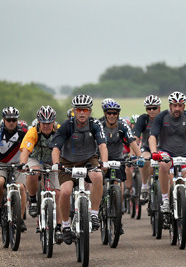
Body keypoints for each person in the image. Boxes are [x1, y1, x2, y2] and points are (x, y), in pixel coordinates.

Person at [50, 95, 108, 245]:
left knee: (98, 176)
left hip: (89, 160)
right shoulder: (67, 125)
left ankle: (94, 214)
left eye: (85, 110)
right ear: (74, 111)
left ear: (90, 111)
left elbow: (102, 145)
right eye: (78, 110)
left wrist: (105, 163)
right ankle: (66, 226)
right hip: (68, 163)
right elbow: (56, 147)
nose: (82, 113)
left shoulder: (95, 124)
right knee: (65, 192)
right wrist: (56, 164)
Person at [148, 91, 186, 233]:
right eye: (174, 105)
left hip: (185, 154)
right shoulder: (161, 117)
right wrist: (154, 153)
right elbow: (152, 136)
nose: (177, 108)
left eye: (180, 105)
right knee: (163, 164)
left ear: (184, 106)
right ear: (170, 105)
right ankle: (165, 200)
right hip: (166, 152)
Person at [100, 100, 145, 234]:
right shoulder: (99, 126)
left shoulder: (123, 126)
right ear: (105, 113)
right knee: (99, 182)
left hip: (118, 159)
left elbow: (132, 142)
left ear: (118, 114)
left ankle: (117, 217)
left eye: (115, 113)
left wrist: (140, 157)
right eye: (109, 113)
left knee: (118, 185)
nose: (112, 115)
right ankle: (99, 206)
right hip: (101, 159)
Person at [19, 105, 62, 237]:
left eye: (49, 123)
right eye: (43, 123)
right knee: (33, 172)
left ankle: (59, 227)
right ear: (39, 122)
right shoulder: (33, 132)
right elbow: (25, 151)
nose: (46, 126)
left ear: (53, 122)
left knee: (58, 194)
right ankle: (32, 200)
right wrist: (22, 164)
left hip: (53, 162)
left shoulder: (59, 130)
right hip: (36, 159)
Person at [0, 107, 28, 231]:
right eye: (9, 120)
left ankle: (19, 219)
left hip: (17, 164)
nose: (11, 122)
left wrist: (26, 163)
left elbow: (29, 147)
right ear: (4, 120)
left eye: (14, 119)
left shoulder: (23, 132)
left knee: (21, 187)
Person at [132, 95, 161, 204]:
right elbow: (135, 137)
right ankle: (144, 186)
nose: (152, 110)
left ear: (159, 108)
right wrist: (134, 152)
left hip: (162, 147)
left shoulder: (164, 118)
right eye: (149, 108)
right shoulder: (143, 119)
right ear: (146, 110)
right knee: (144, 160)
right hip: (147, 147)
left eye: (154, 108)